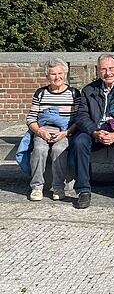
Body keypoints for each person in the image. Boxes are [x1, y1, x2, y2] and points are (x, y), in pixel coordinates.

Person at [71, 54, 114, 209]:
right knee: (79, 142)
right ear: (98, 71)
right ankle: (83, 190)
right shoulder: (89, 90)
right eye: (104, 69)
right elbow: (82, 115)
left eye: (111, 68)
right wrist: (94, 131)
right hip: (95, 129)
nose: (108, 73)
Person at [24, 59, 81, 201]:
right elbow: (31, 118)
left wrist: (66, 133)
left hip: (65, 132)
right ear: (47, 77)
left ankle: (58, 187)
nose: (57, 77)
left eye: (60, 73)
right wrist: (40, 132)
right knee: (39, 149)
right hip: (43, 132)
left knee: (58, 149)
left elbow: (79, 119)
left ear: (65, 74)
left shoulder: (74, 93)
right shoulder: (40, 93)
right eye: (53, 74)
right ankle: (37, 187)